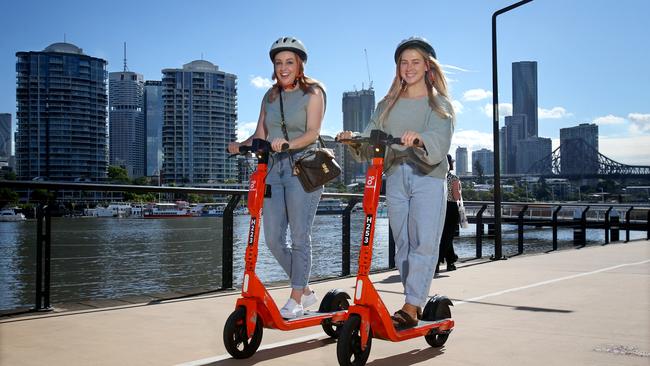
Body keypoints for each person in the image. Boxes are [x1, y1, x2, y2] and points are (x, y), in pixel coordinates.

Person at [337, 36, 454, 328]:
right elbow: (369, 140)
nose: (409, 67)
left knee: (423, 242)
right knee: (402, 245)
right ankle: (413, 298)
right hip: (396, 176)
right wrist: (353, 139)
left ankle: (412, 305)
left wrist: (420, 138)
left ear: (428, 66)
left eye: (416, 61)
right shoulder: (386, 105)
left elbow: (439, 140)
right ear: (398, 67)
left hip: (427, 176)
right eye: (404, 62)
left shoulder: (439, 104)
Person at [228, 36, 325, 319]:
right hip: (273, 169)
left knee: (299, 236)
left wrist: (287, 143)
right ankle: (305, 290)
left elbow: (312, 133)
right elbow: (261, 134)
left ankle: (296, 296)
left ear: (300, 65)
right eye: (279, 62)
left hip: (302, 168)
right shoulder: (269, 96)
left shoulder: (314, 92)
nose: (283, 68)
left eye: (289, 62)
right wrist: (241, 145)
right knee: (272, 239)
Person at [437, 154, 461, 273]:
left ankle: (450, 260)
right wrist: (459, 190)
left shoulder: (435, 178)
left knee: (441, 236)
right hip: (450, 208)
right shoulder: (453, 178)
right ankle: (438, 260)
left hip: (437, 208)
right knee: (448, 236)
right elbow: (456, 197)